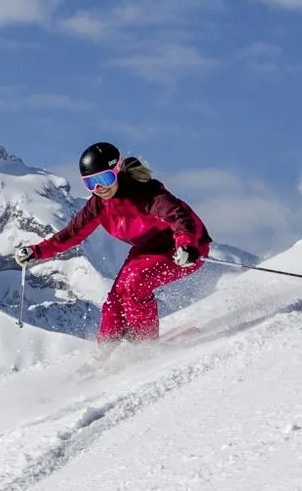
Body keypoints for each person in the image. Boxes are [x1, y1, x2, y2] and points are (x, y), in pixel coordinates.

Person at [14, 142, 212, 343]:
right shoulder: (98, 205)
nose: (99, 188)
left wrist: (186, 244)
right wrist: (36, 251)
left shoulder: (145, 193)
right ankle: (106, 350)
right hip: (146, 250)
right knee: (116, 297)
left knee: (136, 283)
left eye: (104, 179)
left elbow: (179, 216)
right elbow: (70, 234)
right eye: (91, 183)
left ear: (117, 170)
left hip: (187, 247)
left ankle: (145, 343)